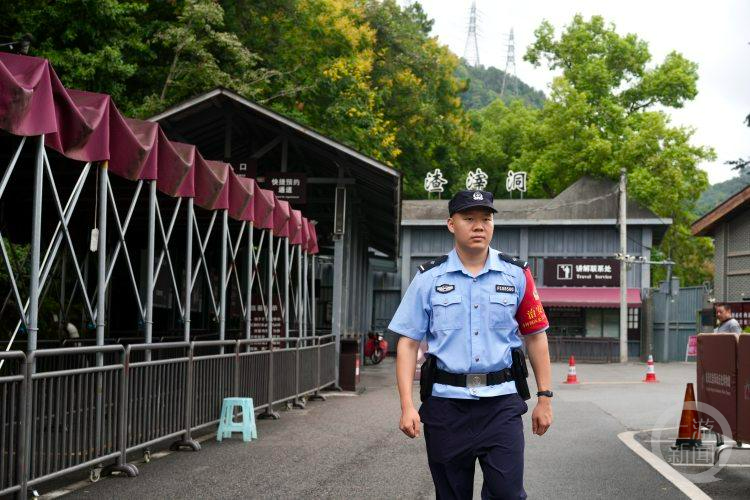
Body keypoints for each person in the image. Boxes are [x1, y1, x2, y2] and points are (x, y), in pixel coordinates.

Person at [390, 189, 553, 500]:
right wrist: (407, 406)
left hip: (501, 405)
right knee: (451, 494)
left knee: (508, 494)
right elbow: (408, 343)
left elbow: (536, 336)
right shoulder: (429, 278)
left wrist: (544, 398)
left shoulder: (516, 274)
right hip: (446, 408)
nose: (479, 226)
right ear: (451, 224)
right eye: (469, 219)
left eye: (486, 219)